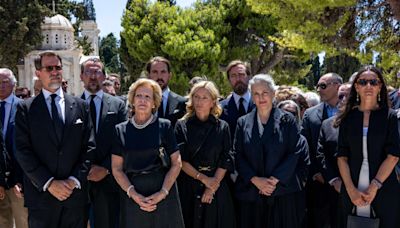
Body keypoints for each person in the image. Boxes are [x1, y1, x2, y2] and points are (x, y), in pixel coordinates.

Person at [15, 51, 96, 228]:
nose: (55, 71)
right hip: (41, 199)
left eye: (58, 67)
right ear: (38, 73)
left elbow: (89, 147)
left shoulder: (81, 106)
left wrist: (74, 180)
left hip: (74, 198)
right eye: (49, 68)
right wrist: (49, 183)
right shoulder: (25, 109)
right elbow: (22, 150)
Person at [234, 74, 305, 228]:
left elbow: (295, 152)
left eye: (265, 92)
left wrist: (273, 180)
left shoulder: (288, 120)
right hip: (251, 194)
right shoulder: (242, 122)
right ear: (251, 97)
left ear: (273, 94)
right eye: (256, 94)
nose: (261, 97)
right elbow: (238, 155)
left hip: (282, 192)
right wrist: (255, 180)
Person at [111, 78, 184, 228]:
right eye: (138, 96)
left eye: (147, 97)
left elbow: (177, 163)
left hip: (164, 191)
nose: (142, 100)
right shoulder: (120, 130)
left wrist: (162, 193)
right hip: (133, 194)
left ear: (154, 103)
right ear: (132, 99)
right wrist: (134, 194)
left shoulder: (165, 126)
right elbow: (116, 169)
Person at [335, 65, 400, 228]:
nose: (368, 86)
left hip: (383, 187)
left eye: (373, 82)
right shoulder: (348, 118)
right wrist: (350, 190)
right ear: (356, 87)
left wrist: (374, 186)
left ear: (380, 87)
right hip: (352, 186)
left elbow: (393, 156)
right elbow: (342, 157)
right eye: (363, 82)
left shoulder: (390, 117)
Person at [175, 81, 235, 228]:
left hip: (216, 186)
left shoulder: (222, 127)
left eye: (204, 98)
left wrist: (211, 187)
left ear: (213, 101)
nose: (199, 101)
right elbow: (180, 159)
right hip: (189, 185)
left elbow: (226, 158)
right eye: (196, 96)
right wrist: (202, 179)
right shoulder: (181, 126)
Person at [80, 58, 127, 228]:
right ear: (81, 76)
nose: (93, 76)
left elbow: (122, 141)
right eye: (88, 72)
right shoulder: (71, 106)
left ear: (104, 76)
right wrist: (84, 169)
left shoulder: (118, 105)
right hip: (79, 181)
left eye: (97, 72)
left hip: (109, 181)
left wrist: (106, 168)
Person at [301, 72, 343, 228]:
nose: (319, 89)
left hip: (347, 182)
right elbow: (305, 145)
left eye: (323, 86)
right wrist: (315, 172)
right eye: (317, 86)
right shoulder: (310, 114)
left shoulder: (354, 112)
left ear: (337, 86)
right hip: (319, 182)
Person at [315, 83, 351, 228]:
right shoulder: (327, 124)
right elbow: (321, 154)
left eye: (349, 95)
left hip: (365, 188)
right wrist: (334, 180)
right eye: (340, 96)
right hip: (336, 191)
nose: (344, 99)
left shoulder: (369, 122)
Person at [0, 68, 27, 228]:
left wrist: (22, 179)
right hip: (0, 181)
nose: (1, 86)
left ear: (13, 85)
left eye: (4, 82)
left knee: (23, 222)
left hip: (19, 182)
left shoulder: (24, 108)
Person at [146, 56, 186, 127]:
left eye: (163, 72)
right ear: (148, 75)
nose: (159, 77)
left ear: (169, 75)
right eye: (155, 72)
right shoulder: (140, 101)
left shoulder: (182, 102)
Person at [220, 60, 255, 140]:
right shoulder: (220, 108)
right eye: (233, 75)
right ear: (229, 80)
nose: (238, 79)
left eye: (241, 74)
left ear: (249, 77)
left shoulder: (260, 104)